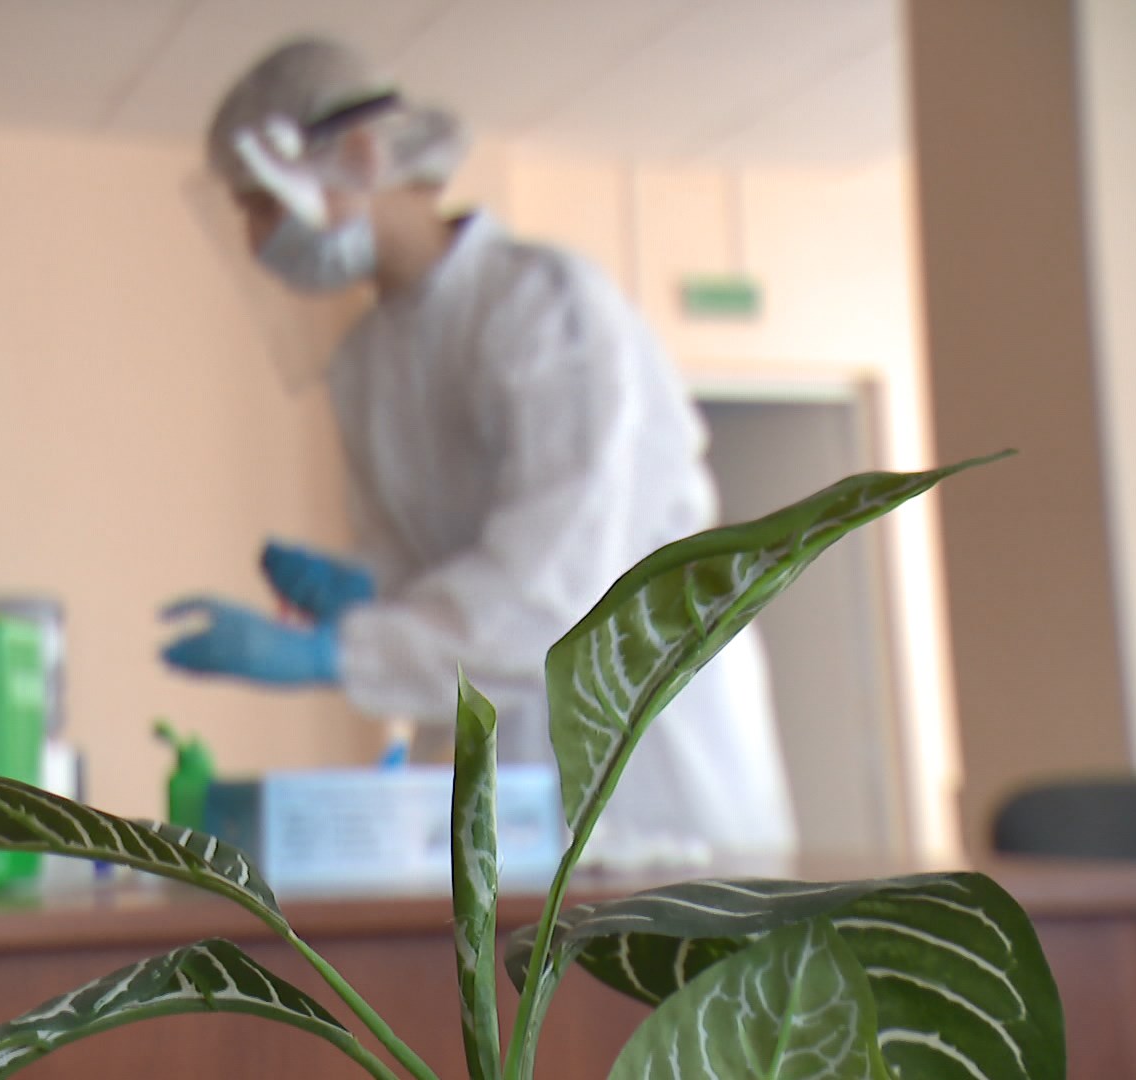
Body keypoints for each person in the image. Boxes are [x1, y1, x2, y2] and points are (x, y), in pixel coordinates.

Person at [160, 37, 795, 854]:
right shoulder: (366, 361)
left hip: (651, 767)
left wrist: (334, 649)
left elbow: (552, 594)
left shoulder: (543, 307)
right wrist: (374, 591)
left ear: (360, 156)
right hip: (510, 768)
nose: (255, 240)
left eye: (261, 204)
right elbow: (450, 588)